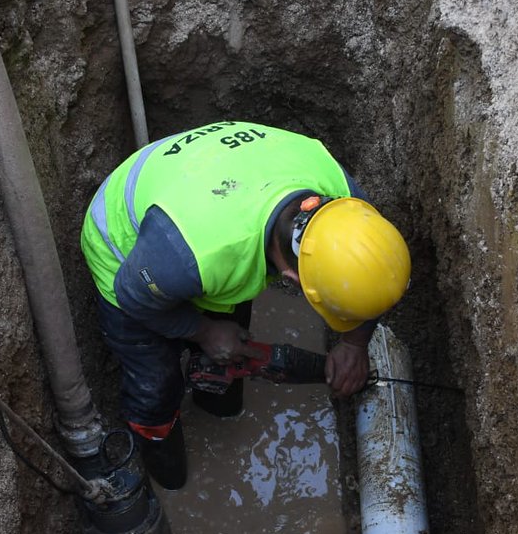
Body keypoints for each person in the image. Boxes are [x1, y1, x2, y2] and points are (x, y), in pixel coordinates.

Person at [80, 120, 410, 490]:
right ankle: (167, 473)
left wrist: (355, 342)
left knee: (228, 339)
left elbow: (372, 273)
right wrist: (204, 331)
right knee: (155, 385)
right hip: (125, 254)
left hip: (200, 199)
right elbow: (132, 294)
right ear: (293, 280)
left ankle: (214, 399)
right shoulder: (200, 253)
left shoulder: (345, 201)